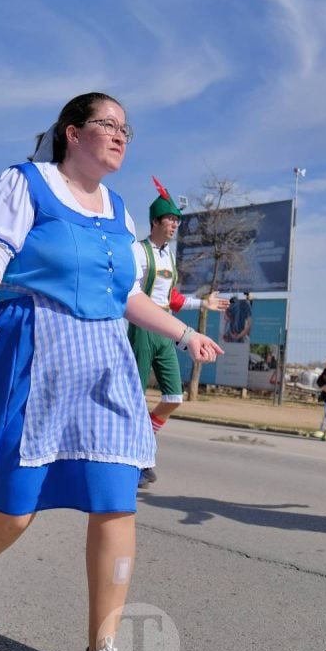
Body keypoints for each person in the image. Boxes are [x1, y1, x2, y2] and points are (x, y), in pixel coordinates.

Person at [0, 93, 223, 651]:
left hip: (104, 364)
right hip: (38, 353)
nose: (121, 136)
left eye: (126, 129)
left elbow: (126, 296)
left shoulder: (118, 210)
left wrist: (185, 332)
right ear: (72, 133)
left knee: (116, 502)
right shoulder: (25, 183)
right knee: (14, 509)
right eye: (108, 125)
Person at [128, 178, 228, 487]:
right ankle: (136, 461)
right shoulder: (137, 251)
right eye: (170, 220)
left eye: (177, 221)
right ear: (155, 221)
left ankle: (144, 440)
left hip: (166, 330)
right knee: (134, 397)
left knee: (174, 397)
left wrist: (203, 303)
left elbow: (172, 298)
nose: (174, 225)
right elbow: (129, 294)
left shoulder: (169, 256)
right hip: (142, 329)